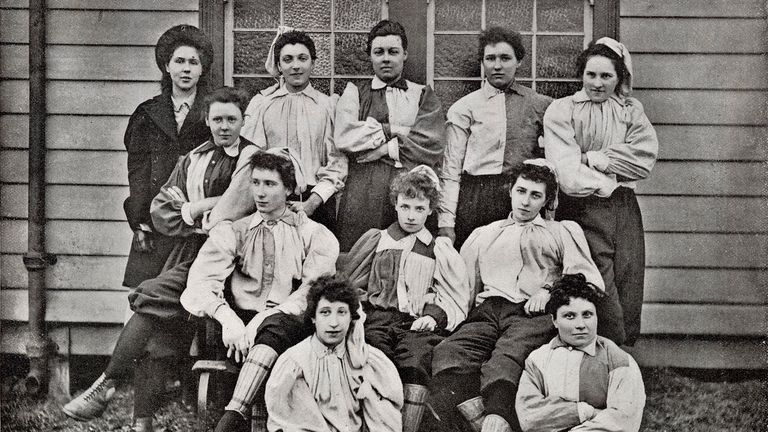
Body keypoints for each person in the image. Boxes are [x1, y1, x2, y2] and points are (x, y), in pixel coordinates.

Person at [62, 86, 255, 432]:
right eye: (217, 119)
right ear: (207, 122)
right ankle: (139, 420)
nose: (224, 126)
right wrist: (196, 212)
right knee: (156, 320)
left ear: (244, 120)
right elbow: (161, 209)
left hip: (236, 257)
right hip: (191, 251)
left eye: (231, 119)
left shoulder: (251, 159)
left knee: (149, 296)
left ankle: (106, 384)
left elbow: (235, 210)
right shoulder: (194, 157)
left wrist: (193, 207)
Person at [427, 161, 605, 432]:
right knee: (448, 352)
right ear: (510, 190)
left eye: (535, 195)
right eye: (521, 191)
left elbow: (586, 278)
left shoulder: (559, 232)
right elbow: (463, 287)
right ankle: (481, 422)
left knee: (507, 357)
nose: (526, 201)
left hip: (530, 314)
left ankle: (497, 417)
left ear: (546, 200)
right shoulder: (485, 234)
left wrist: (549, 291)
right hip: (487, 310)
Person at [179, 151, 339, 432]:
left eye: (270, 184)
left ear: (289, 188)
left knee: (275, 326)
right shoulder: (234, 231)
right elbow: (201, 282)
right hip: (238, 333)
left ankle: (232, 415)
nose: (260, 193)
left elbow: (311, 292)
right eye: (256, 183)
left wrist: (264, 319)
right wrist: (227, 319)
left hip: (288, 324)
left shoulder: (312, 234)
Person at [543, 37, 658, 345]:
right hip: (582, 207)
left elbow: (644, 160)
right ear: (581, 75)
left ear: (620, 77)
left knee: (628, 277)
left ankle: (623, 360)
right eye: (591, 75)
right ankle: (602, 351)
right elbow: (567, 173)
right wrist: (611, 177)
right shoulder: (562, 110)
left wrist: (593, 158)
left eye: (606, 76)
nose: (597, 83)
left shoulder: (630, 112)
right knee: (597, 281)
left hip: (624, 207)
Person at [343, 166, 470, 432]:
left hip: (414, 323)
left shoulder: (437, 249)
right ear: (396, 205)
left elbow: (452, 295)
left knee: (416, 361)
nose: (412, 216)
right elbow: (352, 286)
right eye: (406, 207)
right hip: (376, 319)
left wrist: (431, 316)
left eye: (419, 209)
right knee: (375, 360)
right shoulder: (378, 240)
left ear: (430, 210)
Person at [216, 29, 346, 232]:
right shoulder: (263, 105)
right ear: (279, 65)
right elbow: (250, 159)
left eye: (302, 58)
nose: (295, 66)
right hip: (270, 202)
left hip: (317, 202)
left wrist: (312, 203)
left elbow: (337, 163)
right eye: (288, 59)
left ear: (312, 63)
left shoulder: (328, 106)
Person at [334, 19, 445, 251]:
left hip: (411, 192)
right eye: (379, 52)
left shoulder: (422, 94)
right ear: (370, 56)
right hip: (363, 192)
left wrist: (384, 149)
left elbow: (430, 144)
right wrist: (393, 130)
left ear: (404, 54)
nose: (386, 58)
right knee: (360, 255)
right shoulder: (354, 92)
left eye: (393, 52)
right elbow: (345, 137)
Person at [438, 27, 553, 249]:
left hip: (521, 198)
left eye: (505, 58)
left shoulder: (540, 105)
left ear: (519, 61)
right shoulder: (464, 108)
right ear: (482, 62)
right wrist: (446, 221)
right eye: (490, 58)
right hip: (475, 198)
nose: (497, 66)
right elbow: (451, 170)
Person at [122, 24, 214, 290]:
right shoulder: (147, 114)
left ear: (202, 68)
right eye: (180, 61)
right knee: (146, 293)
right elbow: (137, 172)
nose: (186, 69)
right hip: (155, 220)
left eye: (193, 62)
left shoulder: (214, 112)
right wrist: (140, 224)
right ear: (167, 66)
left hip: (200, 222)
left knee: (194, 294)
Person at [265, 273, 404, 432]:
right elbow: (296, 425)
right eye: (325, 312)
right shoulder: (295, 363)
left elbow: (383, 421)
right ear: (313, 317)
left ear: (352, 316)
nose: (334, 323)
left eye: (341, 312)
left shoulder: (366, 359)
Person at [515, 273, 646, 432]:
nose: (581, 325)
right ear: (554, 320)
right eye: (570, 316)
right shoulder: (538, 360)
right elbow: (529, 417)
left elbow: (623, 421)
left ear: (596, 316)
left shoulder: (620, 361)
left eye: (587, 315)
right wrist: (586, 412)